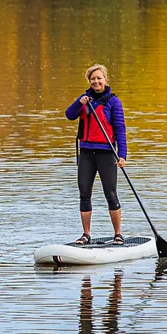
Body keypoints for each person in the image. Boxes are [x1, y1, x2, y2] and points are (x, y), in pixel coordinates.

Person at [66, 64, 127, 245]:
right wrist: (80, 102)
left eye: (99, 78)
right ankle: (86, 235)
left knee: (111, 193)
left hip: (106, 153)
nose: (96, 81)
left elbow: (120, 130)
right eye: (93, 79)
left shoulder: (113, 102)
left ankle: (117, 234)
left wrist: (122, 154)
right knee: (84, 193)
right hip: (86, 153)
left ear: (105, 79)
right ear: (89, 81)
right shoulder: (84, 100)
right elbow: (69, 115)